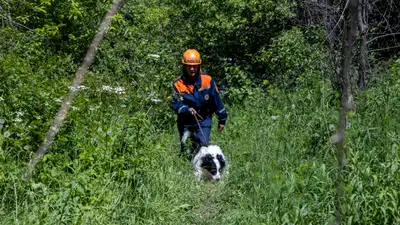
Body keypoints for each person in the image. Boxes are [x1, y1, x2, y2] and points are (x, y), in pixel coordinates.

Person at [172, 49, 228, 157]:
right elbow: (176, 104)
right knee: (187, 151)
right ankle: (187, 169)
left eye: (194, 66)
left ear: (199, 66)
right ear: (184, 66)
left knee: (202, 147)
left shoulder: (207, 80)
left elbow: (216, 100)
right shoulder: (178, 84)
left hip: (203, 120)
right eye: (189, 66)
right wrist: (186, 109)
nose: (192, 69)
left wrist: (222, 119)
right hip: (185, 121)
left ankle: (200, 171)